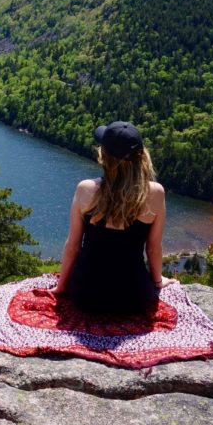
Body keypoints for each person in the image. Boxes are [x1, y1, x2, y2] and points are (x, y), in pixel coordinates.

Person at [46, 121, 174, 314]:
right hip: (135, 298)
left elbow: (73, 245)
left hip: (86, 296)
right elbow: (153, 248)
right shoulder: (156, 193)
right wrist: (158, 281)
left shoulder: (86, 189)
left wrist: (61, 287)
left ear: (104, 157)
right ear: (142, 157)